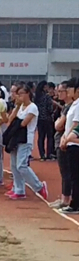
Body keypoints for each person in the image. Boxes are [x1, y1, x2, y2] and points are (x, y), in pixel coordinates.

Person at [4, 84, 49, 201]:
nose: (18, 97)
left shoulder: (33, 107)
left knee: (21, 165)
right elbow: (10, 119)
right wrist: (17, 107)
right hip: (15, 138)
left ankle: (39, 186)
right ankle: (19, 190)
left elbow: (24, 123)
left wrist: (15, 121)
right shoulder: (20, 107)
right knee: (14, 166)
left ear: (27, 94)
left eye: (21, 94)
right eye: (17, 94)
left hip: (25, 139)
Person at [50, 80, 75, 209]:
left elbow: (59, 126)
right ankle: (65, 198)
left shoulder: (71, 107)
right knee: (64, 172)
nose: (58, 94)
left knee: (67, 172)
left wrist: (59, 122)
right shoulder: (65, 107)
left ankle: (66, 199)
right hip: (61, 140)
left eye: (61, 91)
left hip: (65, 141)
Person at [59, 79, 79, 213]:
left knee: (75, 176)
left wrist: (67, 138)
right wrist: (64, 137)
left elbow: (76, 124)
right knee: (72, 175)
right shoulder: (73, 104)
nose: (68, 92)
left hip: (74, 144)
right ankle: (73, 202)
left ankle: (74, 204)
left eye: (70, 89)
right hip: (69, 141)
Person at [34, 81, 55, 161]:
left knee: (41, 137)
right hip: (47, 119)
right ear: (44, 87)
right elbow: (50, 109)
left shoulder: (37, 97)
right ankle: (49, 154)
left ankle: (42, 154)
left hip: (39, 119)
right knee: (49, 137)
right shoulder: (47, 97)